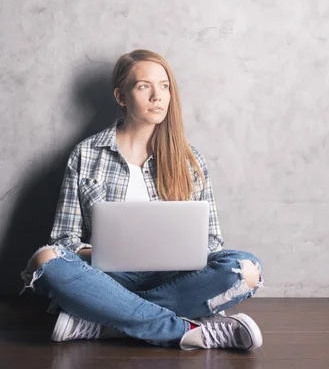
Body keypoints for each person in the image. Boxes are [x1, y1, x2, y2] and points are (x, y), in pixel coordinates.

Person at [20, 49, 264, 351]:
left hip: (173, 278)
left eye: (164, 86)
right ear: (121, 97)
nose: (157, 96)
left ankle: (102, 321)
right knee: (45, 261)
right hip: (108, 278)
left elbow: (213, 241)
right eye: (143, 86)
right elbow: (63, 238)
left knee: (246, 269)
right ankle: (185, 329)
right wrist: (104, 252)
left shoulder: (190, 160)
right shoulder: (86, 154)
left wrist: (178, 254)